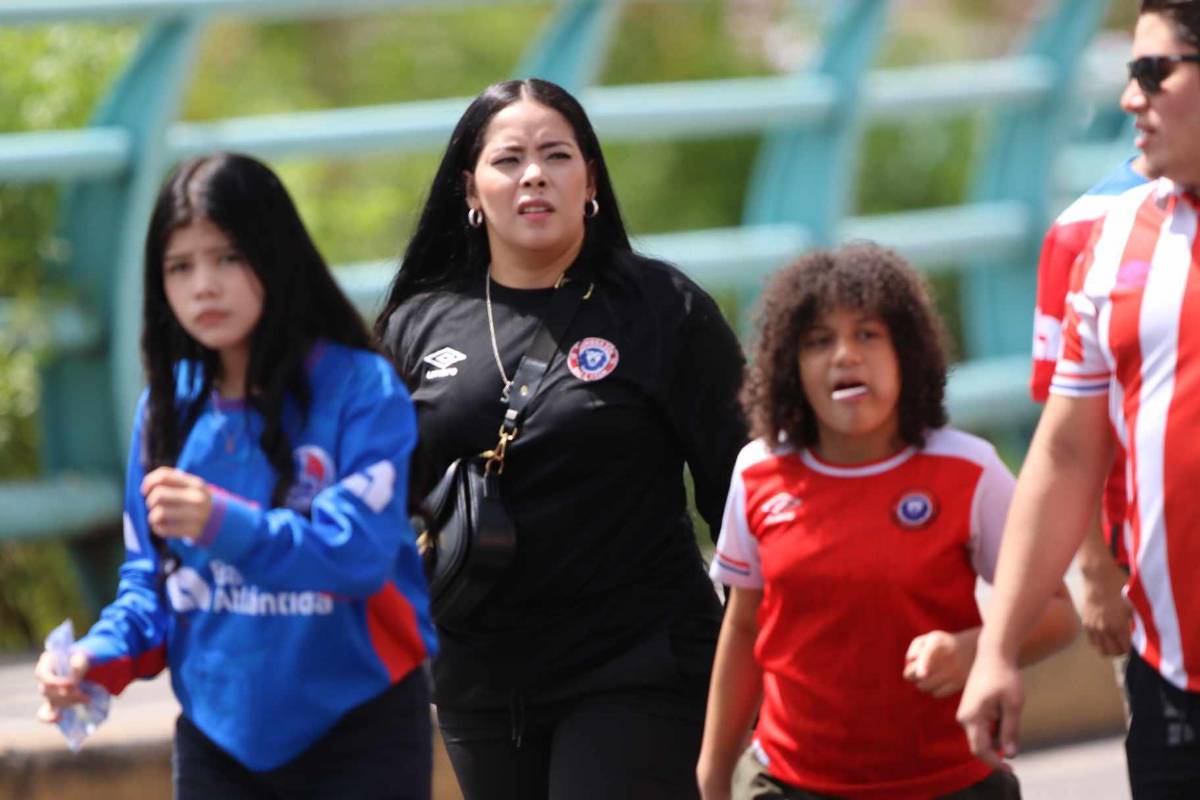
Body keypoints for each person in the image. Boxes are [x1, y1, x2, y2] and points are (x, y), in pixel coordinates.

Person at [375, 78, 747, 800]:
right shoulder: (414, 326)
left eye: (556, 155)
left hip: (639, 668)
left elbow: (744, 491)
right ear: (470, 191)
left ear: (591, 182)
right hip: (479, 684)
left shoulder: (662, 309)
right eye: (508, 159)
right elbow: (377, 502)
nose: (535, 174)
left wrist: (751, 660)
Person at [34, 153, 437, 799]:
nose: (204, 286)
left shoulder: (361, 390)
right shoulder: (168, 407)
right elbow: (153, 584)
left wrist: (222, 522)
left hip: (359, 731)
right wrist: (96, 659)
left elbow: (358, 555)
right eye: (180, 266)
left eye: (227, 257)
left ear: (276, 255)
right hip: (217, 742)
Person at [698, 244, 1078, 800]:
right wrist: (713, 771)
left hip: (952, 782)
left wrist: (974, 648)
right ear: (789, 367)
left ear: (910, 353)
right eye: (819, 341)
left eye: (868, 335)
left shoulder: (969, 469)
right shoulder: (758, 472)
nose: (844, 356)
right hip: (788, 783)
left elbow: (1059, 615)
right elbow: (745, 627)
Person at [958, 2, 1200, 797]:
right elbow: (1065, 452)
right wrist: (997, 649)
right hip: (1173, 681)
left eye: (1151, 72)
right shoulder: (1106, 236)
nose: (1131, 98)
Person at [1033, 157, 1147, 667]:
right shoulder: (1085, 226)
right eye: (1144, 73)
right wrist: (1094, 566)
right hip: (1140, 561)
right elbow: (1067, 435)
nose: (1132, 100)